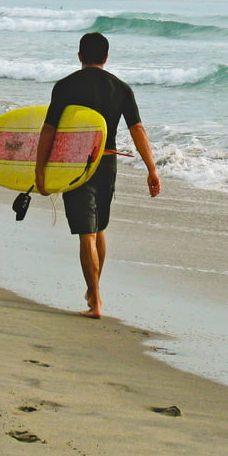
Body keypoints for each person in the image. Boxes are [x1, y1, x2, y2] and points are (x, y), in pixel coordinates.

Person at [34, 32, 160, 319]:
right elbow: (137, 129)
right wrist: (151, 168)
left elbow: (50, 129)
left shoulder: (65, 86)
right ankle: (94, 291)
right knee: (99, 229)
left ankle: (96, 301)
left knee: (86, 235)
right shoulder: (121, 88)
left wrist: (40, 168)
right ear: (106, 57)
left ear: (79, 56)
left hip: (75, 165)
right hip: (107, 164)